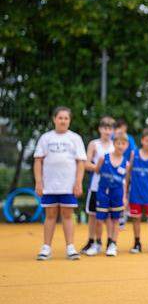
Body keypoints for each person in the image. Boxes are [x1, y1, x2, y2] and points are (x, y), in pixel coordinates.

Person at [34, 106, 87, 260]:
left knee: (67, 215)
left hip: (68, 185)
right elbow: (38, 161)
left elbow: (81, 163)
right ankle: (46, 248)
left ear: (69, 121)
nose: (63, 121)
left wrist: (78, 182)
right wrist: (39, 182)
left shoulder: (75, 138)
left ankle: (70, 247)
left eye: (66, 118)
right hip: (50, 185)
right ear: (54, 119)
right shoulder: (45, 138)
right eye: (60, 118)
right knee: (50, 215)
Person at [82, 116, 115, 256]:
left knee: (108, 216)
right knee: (93, 215)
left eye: (110, 128)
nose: (107, 131)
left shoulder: (116, 145)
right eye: (105, 128)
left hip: (112, 186)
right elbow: (86, 163)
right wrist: (99, 168)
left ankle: (109, 242)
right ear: (100, 129)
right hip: (96, 185)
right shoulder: (94, 144)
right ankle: (92, 241)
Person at [95, 133, 129, 257]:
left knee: (115, 220)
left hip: (117, 192)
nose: (120, 146)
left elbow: (126, 181)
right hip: (103, 190)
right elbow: (97, 171)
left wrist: (124, 196)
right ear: (114, 144)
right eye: (118, 143)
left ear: (127, 146)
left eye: (123, 144)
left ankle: (113, 244)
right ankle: (97, 243)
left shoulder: (126, 163)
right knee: (99, 219)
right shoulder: (104, 158)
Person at [114, 118, 137, 230]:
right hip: (115, 167)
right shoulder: (113, 138)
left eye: (123, 128)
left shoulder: (130, 139)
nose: (121, 130)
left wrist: (131, 166)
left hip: (126, 168)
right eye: (119, 128)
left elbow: (133, 152)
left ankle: (123, 215)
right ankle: (116, 215)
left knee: (126, 192)